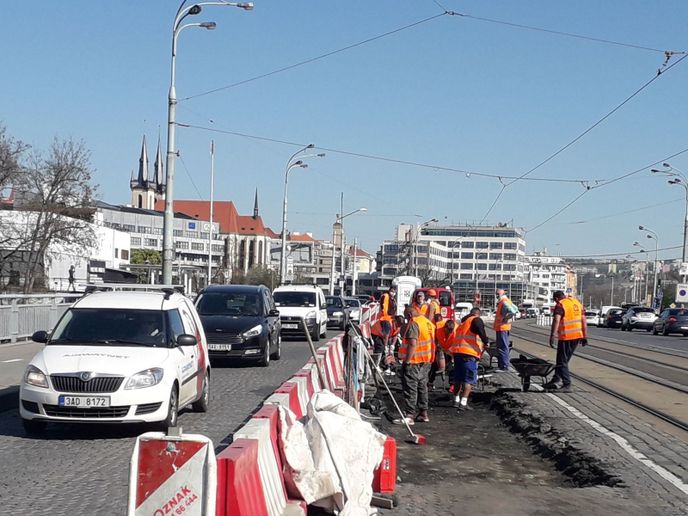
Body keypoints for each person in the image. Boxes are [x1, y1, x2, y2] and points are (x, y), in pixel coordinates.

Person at [394, 306, 434, 425]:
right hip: (426, 360)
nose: (406, 320)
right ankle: (423, 413)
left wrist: (407, 360)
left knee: (410, 387)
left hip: (414, 361)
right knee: (422, 387)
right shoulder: (428, 323)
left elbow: (412, 343)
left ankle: (409, 415)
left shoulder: (414, 323)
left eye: (406, 317)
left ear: (410, 315)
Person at [544, 290, 587, 392]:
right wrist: (585, 336)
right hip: (577, 336)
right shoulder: (577, 303)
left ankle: (566, 384)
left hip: (566, 336)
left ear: (556, 298)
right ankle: (555, 379)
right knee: (564, 360)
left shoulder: (560, 305)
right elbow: (584, 321)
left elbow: (556, 320)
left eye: (555, 301)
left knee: (562, 361)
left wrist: (552, 335)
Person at [452, 307, 489, 411]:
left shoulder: (463, 324)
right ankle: (463, 403)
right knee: (468, 379)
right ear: (478, 314)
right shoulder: (475, 320)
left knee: (458, 379)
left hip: (457, 353)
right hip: (468, 354)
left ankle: (456, 400)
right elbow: (480, 328)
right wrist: (486, 341)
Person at [493, 288, 516, 372]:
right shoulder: (506, 300)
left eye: (497, 294)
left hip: (502, 328)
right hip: (503, 327)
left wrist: (506, 319)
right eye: (496, 294)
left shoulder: (504, 301)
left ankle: (504, 366)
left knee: (503, 346)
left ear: (502, 294)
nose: (496, 296)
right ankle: (503, 365)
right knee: (503, 346)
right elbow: (515, 308)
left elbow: (513, 311)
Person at [378, 285, 397, 359]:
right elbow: (383, 306)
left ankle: (392, 346)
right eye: (392, 291)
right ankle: (385, 348)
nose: (393, 293)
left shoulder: (393, 300)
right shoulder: (386, 296)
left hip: (391, 318)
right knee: (387, 333)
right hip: (385, 318)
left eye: (394, 292)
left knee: (396, 331)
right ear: (389, 291)